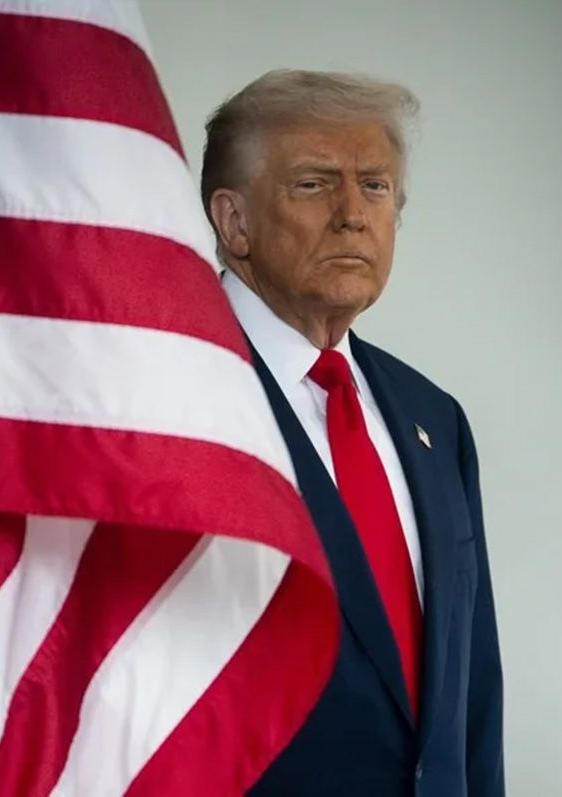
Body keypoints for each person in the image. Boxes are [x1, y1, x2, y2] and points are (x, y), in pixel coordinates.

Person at [201, 69, 504, 796]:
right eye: (313, 184)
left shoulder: (434, 417)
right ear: (233, 220)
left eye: (374, 186)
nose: (352, 214)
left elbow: (473, 701)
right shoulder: (174, 405)